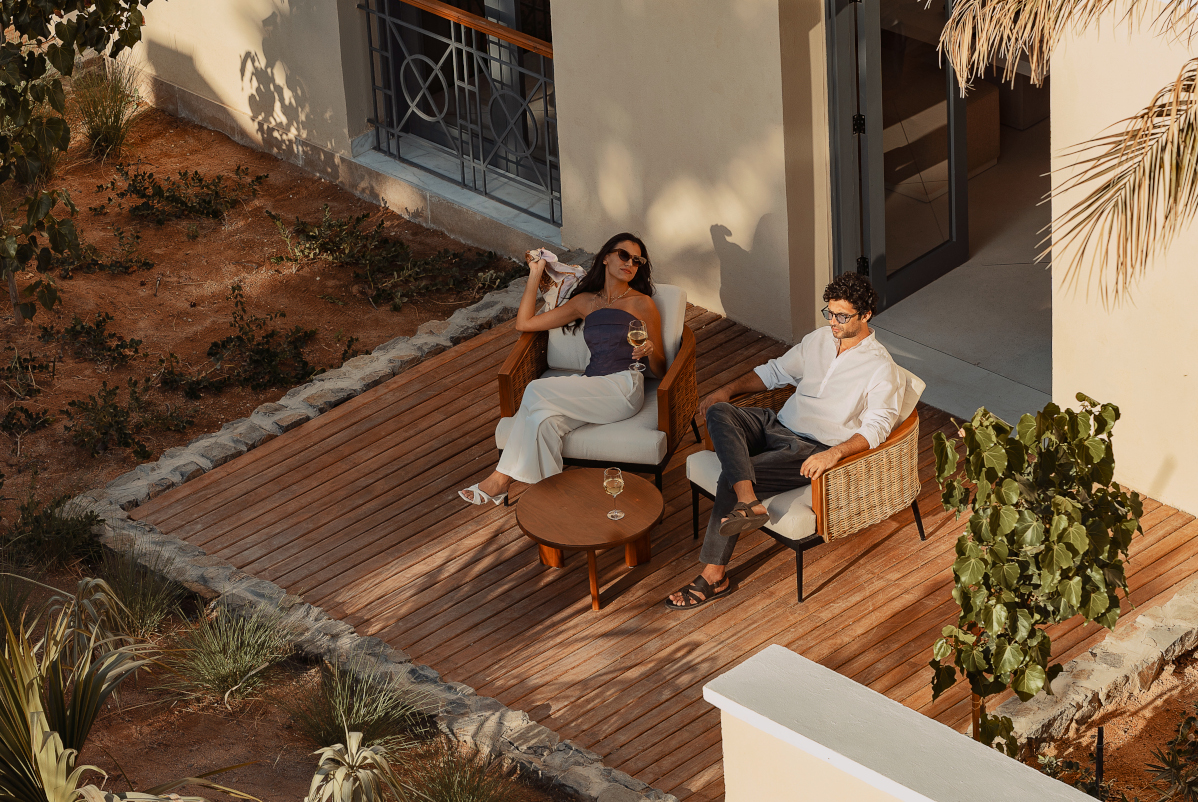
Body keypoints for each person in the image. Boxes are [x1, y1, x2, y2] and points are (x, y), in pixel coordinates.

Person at [666, 273, 903, 610]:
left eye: (842, 316)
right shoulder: (820, 339)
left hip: (810, 449)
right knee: (720, 410)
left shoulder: (880, 368)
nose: (833, 322)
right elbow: (776, 372)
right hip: (775, 424)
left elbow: (878, 428)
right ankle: (748, 500)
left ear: (866, 316)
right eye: (829, 313)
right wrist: (727, 390)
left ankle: (714, 576)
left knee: (729, 476)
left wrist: (834, 454)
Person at [458, 233, 667, 505]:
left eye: (637, 260)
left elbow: (662, 369)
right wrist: (535, 273)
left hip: (623, 388)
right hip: (592, 388)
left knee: (534, 389)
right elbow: (524, 323)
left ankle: (500, 480)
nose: (630, 263)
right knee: (542, 422)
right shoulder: (584, 302)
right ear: (605, 257)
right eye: (624, 255)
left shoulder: (642, 303)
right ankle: (556, 503)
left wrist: (650, 349)